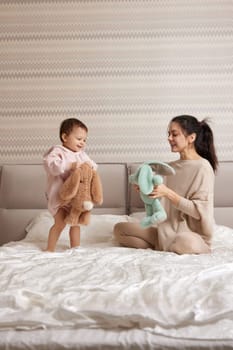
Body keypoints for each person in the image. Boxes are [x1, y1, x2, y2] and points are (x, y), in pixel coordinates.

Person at [114, 115, 218, 254]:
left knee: (185, 242)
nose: (169, 138)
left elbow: (199, 212)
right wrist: (146, 190)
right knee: (120, 229)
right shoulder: (168, 168)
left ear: (191, 138)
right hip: (165, 232)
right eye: (169, 134)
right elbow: (158, 198)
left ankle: (173, 247)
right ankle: (164, 247)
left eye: (174, 134)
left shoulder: (203, 167)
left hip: (192, 236)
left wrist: (168, 193)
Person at [43, 118, 97, 252]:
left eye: (84, 140)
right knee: (60, 223)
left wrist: (89, 167)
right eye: (79, 139)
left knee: (76, 223)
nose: (82, 143)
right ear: (65, 137)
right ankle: (49, 249)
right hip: (59, 198)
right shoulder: (56, 151)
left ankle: (75, 248)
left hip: (75, 199)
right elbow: (52, 166)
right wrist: (70, 165)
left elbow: (93, 166)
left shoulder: (82, 155)